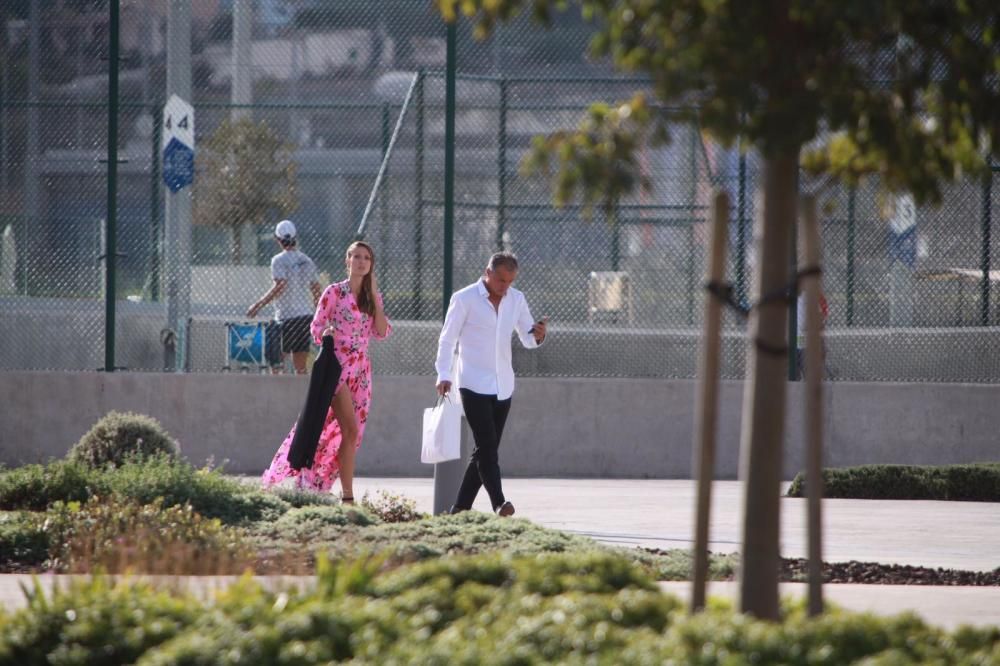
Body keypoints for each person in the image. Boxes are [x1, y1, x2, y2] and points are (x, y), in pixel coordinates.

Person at [261, 240, 391, 501]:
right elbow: (316, 327)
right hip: (337, 368)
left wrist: (375, 296)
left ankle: (315, 484)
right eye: (356, 256)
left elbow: (381, 331)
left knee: (343, 434)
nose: (362, 261)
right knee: (350, 430)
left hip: (361, 373)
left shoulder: (371, 297)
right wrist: (327, 333)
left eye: (366, 257)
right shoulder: (334, 292)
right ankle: (348, 496)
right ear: (347, 260)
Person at [435, 251, 547, 517]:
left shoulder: (516, 299)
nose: (504, 286)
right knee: (487, 447)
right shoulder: (464, 299)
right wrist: (443, 373)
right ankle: (499, 503)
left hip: (503, 385)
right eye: (500, 279)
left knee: (485, 451)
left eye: (509, 281)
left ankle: (459, 509)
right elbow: (447, 339)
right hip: (471, 382)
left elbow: (527, 338)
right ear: (488, 273)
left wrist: (539, 335)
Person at [247, 220, 323, 375]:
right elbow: (316, 288)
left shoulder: (278, 260)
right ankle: (303, 398)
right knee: (300, 367)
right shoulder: (306, 260)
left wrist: (258, 305)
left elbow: (280, 285)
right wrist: (318, 312)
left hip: (285, 318)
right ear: (295, 237)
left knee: (276, 363)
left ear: (277, 239)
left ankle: (276, 397)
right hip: (304, 316)